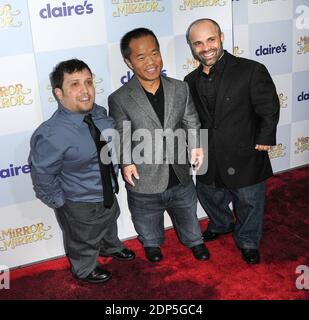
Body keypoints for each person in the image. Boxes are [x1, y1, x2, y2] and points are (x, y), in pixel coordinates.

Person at [28, 59, 135, 284]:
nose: (85, 90)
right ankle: (84, 269)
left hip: (107, 192)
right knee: (83, 239)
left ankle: (110, 247)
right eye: (74, 84)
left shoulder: (100, 114)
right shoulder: (50, 133)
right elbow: (43, 175)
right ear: (59, 93)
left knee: (109, 224)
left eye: (88, 82)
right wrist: (62, 203)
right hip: (79, 202)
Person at [108, 28, 209, 262]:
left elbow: (191, 119)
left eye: (154, 53)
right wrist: (126, 162)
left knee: (187, 212)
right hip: (145, 175)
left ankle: (195, 241)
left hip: (179, 170)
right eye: (141, 57)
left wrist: (196, 145)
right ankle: (152, 244)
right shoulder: (120, 98)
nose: (151, 62)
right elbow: (122, 134)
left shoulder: (179, 87)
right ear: (129, 62)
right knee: (146, 216)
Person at [184, 19, 280, 264]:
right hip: (209, 153)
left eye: (210, 40)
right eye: (198, 43)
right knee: (208, 193)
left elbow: (268, 106)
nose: (206, 47)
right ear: (192, 47)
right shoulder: (190, 80)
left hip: (244, 149)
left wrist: (265, 137)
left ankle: (248, 240)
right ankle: (222, 223)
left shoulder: (250, 69)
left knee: (249, 200)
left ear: (221, 37)